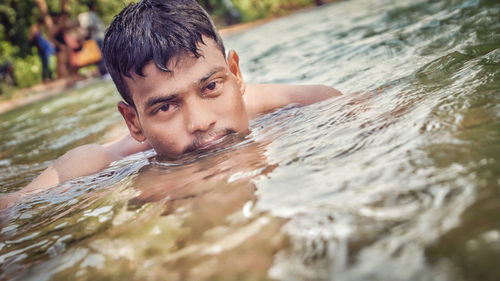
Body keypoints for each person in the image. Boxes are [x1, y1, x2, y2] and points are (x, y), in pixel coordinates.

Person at [0, 0, 341, 208]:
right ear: (134, 122)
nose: (200, 121)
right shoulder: (104, 159)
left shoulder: (301, 103)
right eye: (166, 107)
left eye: (211, 86)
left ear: (235, 75)